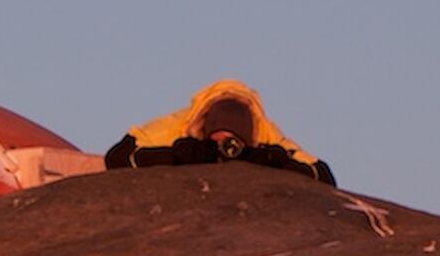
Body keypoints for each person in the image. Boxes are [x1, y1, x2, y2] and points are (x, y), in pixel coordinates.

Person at [105, 79, 336, 185]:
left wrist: (269, 161)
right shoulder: (179, 125)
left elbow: (322, 175)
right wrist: (179, 155)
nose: (224, 151)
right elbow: (118, 157)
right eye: (216, 142)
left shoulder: (265, 133)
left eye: (232, 144)